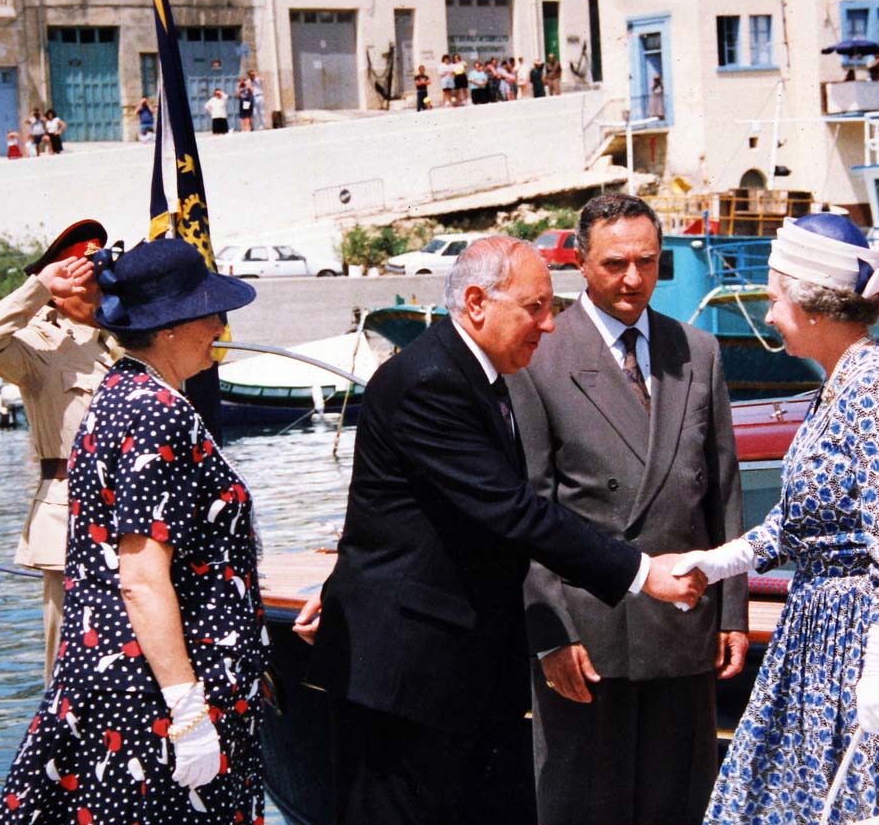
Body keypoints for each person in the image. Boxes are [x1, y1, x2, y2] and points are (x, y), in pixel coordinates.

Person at [299, 236, 708, 825]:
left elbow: (399, 516)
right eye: (534, 307)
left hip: (458, 670)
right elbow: (514, 511)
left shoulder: (480, 377)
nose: (548, 324)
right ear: (476, 302)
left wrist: (344, 580)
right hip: (405, 677)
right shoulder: (431, 380)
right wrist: (644, 572)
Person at [676, 214, 879, 824]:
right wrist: (718, 562)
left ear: (813, 308)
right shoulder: (840, 384)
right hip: (825, 633)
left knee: (872, 807)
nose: (770, 315)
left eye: (775, 300)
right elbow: (801, 521)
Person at [0, 239, 267, 824]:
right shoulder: (153, 410)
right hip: (152, 691)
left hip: (126, 676)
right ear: (170, 327)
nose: (221, 324)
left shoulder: (122, 390)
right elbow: (142, 578)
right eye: (210, 311)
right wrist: (187, 708)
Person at [510, 195, 747, 825]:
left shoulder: (698, 351)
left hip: (684, 624)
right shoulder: (539, 359)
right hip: (588, 638)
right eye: (615, 263)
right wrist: (550, 636)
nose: (633, 279)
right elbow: (527, 511)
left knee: (681, 804)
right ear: (582, 265)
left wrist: (732, 608)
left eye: (647, 261)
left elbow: (721, 488)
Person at [0, 220, 117, 681]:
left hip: (138, 510)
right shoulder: (37, 345)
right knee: (70, 661)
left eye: (95, 268)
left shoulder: (128, 337)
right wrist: (37, 287)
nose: (91, 280)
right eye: (77, 272)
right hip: (71, 515)